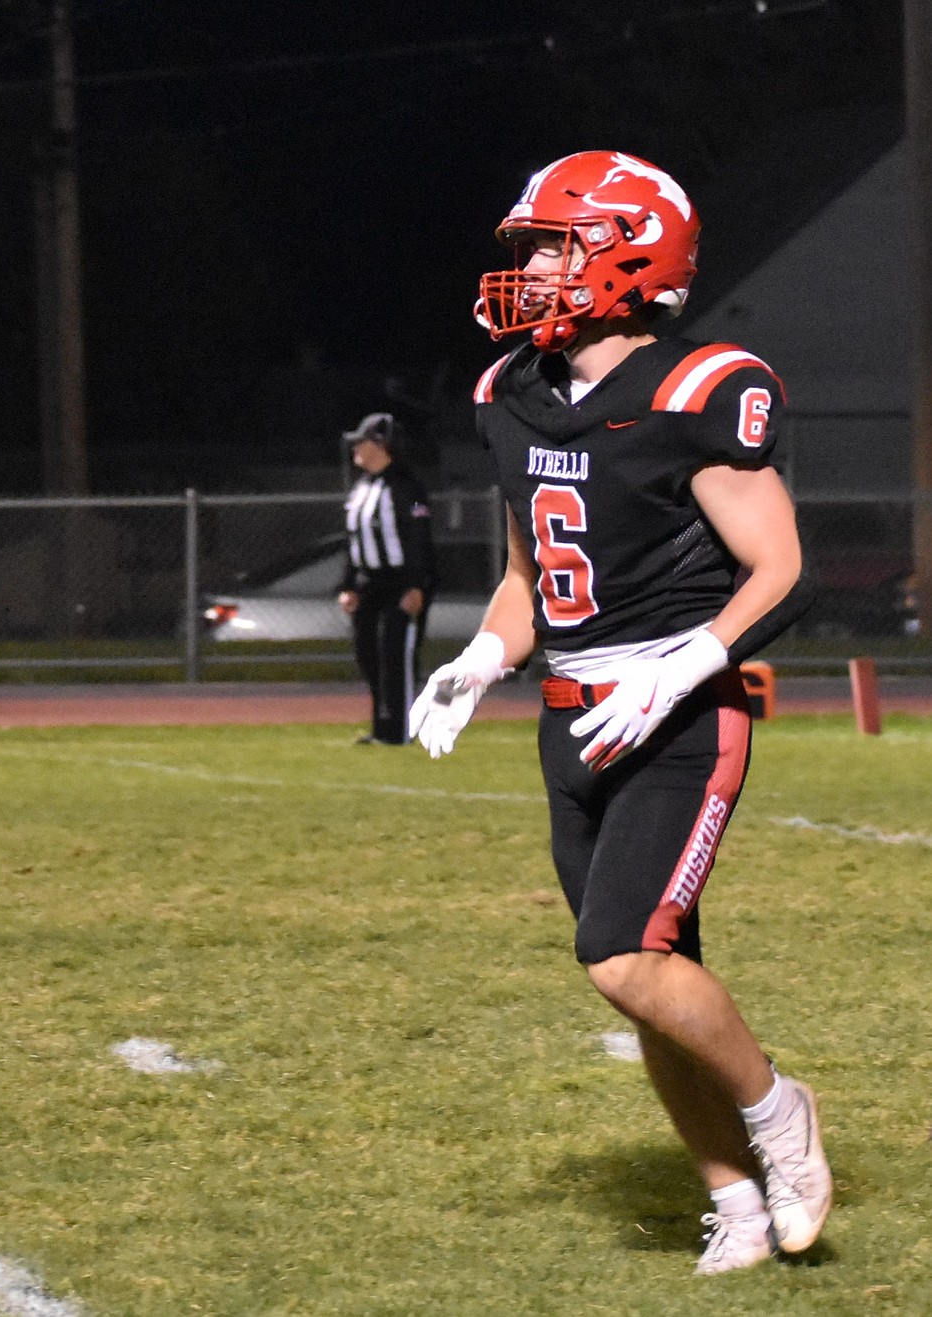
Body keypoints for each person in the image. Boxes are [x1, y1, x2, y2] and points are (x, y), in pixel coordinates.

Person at [409, 151, 831, 1274]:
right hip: (570, 715)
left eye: (555, 243)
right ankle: (735, 1201)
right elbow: (528, 578)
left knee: (618, 954)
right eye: (532, 246)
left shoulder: (696, 391)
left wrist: (685, 661)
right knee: (655, 982)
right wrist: (483, 657)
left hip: (677, 714)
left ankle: (783, 1115)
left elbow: (783, 568)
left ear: (628, 253)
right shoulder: (514, 393)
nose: (533, 268)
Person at [338, 412, 436, 744]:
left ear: (382, 445)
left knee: (397, 656)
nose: (356, 447)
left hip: (402, 583)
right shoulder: (362, 486)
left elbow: (420, 540)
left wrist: (417, 585)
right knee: (368, 654)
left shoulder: (406, 486)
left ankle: (401, 730)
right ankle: (383, 727)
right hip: (370, 583)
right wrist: (349, 584)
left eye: (363, 441)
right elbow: (353, 541)